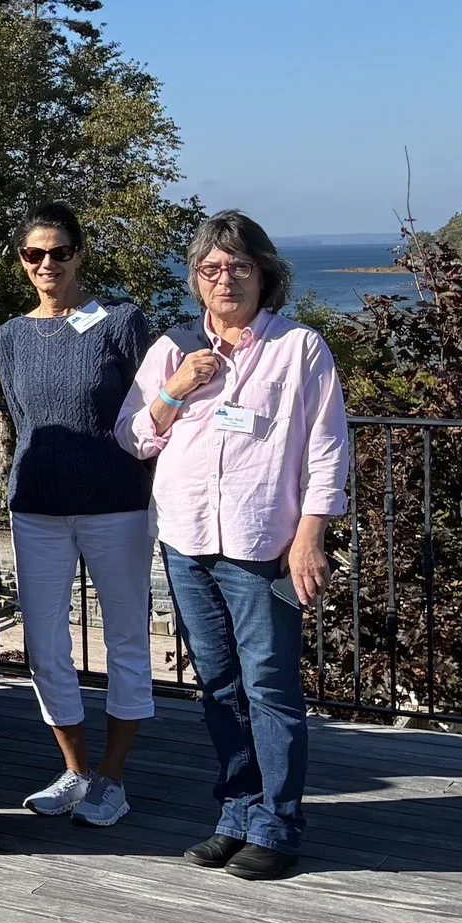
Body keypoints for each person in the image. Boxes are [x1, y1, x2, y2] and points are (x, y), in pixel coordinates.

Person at [121, 211, 349, 881]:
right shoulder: (173, 348)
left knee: (271, 684)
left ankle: (278, 823)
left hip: (264, 544)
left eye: (240, 267)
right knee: (219, 686)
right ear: (195, 279)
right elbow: (131, 435)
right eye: (212, 268)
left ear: (264, 274)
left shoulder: (299, 347)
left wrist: (311, 535)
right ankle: (237, 811)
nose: (226, 278)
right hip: (186, 540)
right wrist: (176, 387)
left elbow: (328, 446)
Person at [0, 203, 156, 830]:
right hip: (36, 507)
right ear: (21, 262)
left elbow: (145, 414)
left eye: (59, 252)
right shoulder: (10, 335)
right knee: (45, 646)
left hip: (115, 504)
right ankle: (76, 769)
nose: (46, 264)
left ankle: (112, 778)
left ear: (79, 254)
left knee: (125, 641)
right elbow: (22, 418)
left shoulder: (121, 322)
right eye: (34, 254)